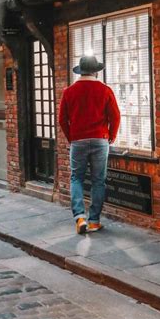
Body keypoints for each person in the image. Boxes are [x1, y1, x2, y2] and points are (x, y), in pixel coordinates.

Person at [58, 55, 121, 235]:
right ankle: (94, 221)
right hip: (100, 140)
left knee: (76, 178)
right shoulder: (105, 90)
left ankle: (79, 217)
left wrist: (72, 137)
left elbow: (62, 119)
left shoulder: (69, 91)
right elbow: (115, 116)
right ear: (96, 71)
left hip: (78, 141)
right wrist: (111, 136)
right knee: (98, 181)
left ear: (80, 71)